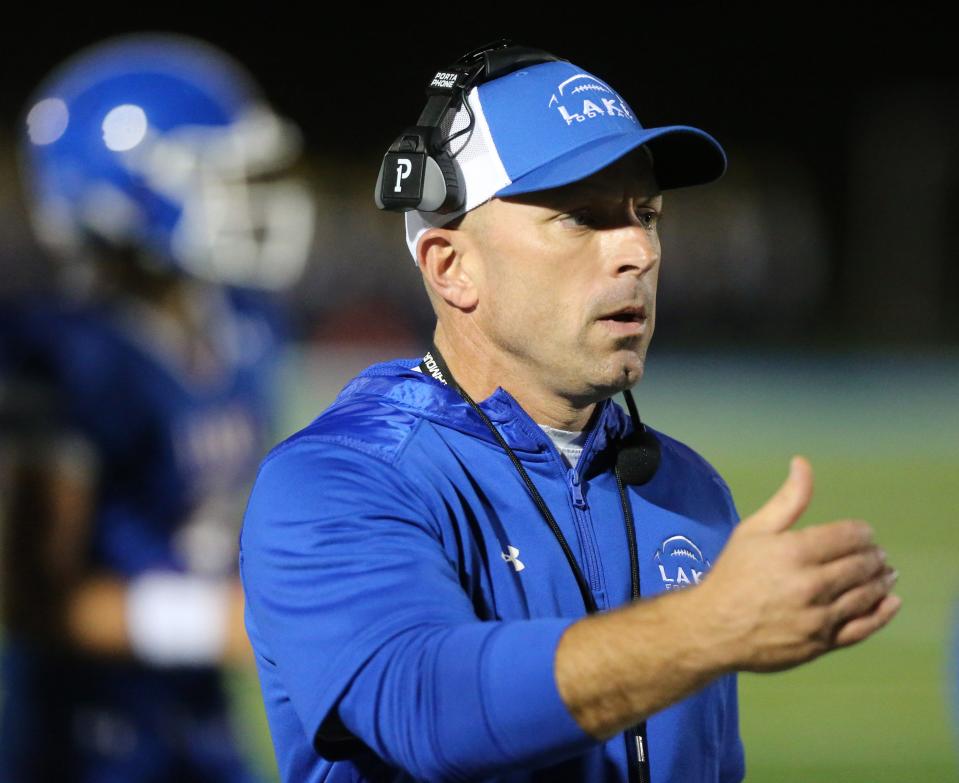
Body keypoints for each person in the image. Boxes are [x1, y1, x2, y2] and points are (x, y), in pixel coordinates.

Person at [239, 42, 901, 782]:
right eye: (583, 217)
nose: (637, 251)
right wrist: (704, 626)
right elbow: (422, 705)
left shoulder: (686, 488)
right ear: (452, 267)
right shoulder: (339, 476)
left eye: (644, 213)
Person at [0, 34, 314, 782]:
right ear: (122, 195)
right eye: (217, 174)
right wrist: (226, 621)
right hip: (86, 739)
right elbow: (41, 599)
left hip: (199, 716)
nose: (247, 196)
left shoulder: (244, 328)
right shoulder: (70, 357)